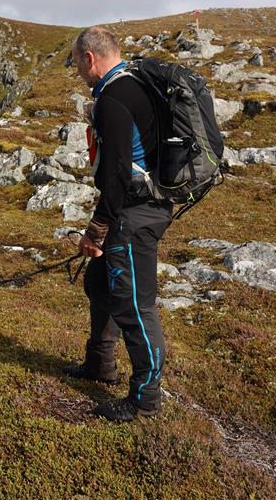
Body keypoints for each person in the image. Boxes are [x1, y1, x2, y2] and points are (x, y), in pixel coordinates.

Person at [64, 26, 174, 422]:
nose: (78, 71)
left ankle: (145, 400)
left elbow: (116, 173)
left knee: (135, 305)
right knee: (99, 282)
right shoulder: (137, 85)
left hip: (134, 213)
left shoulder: (112, 100)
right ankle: (100, 362)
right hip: (145, 205)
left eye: (77, 63)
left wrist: (98, 228)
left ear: (90, 58)